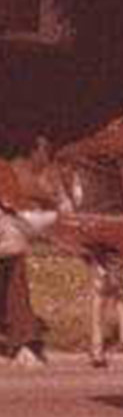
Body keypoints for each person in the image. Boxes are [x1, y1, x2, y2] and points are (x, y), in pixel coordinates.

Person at [0, 158, 46, 368]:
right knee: (15, 294)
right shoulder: (4, 167)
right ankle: (24, 346)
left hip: (6, 242)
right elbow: (14, 202)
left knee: (13, 294)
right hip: (12, 240)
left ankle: (22, 345)